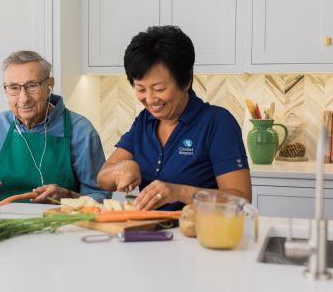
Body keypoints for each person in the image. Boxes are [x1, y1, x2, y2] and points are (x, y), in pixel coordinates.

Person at [97, 25, 251, 211]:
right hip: (149, 233)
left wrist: (179, 192)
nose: (150, 99)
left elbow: (242, 200)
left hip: (198, 236)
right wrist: (120, 169)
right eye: (141, 89)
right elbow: (102, 178)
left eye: (159, 89)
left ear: (186, 81)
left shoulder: (217, 123)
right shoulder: (144, 121)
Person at [0, 51, 110, 203]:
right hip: (0, 222)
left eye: (32, 86)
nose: (24, 98)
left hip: (62, 223)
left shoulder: (81, 131)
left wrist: (68, 196)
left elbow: (100, 198)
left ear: (49, 84)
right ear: (5, 89)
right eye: (14, 88)